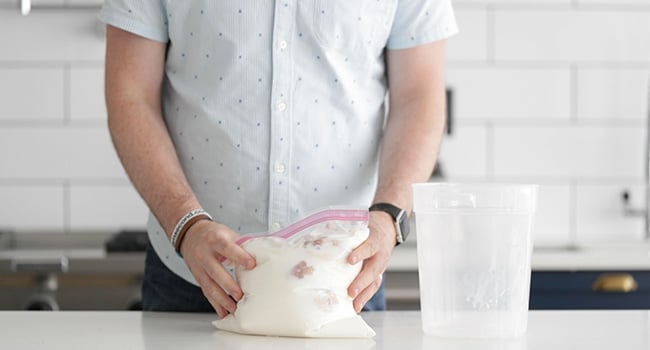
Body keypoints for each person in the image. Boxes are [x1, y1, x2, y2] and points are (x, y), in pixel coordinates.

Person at [99, 1, 457, 318]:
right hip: (192, 278)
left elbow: (419, 98)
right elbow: (131, 96)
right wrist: (186, 225)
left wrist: (390, 215)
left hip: (343, 280)